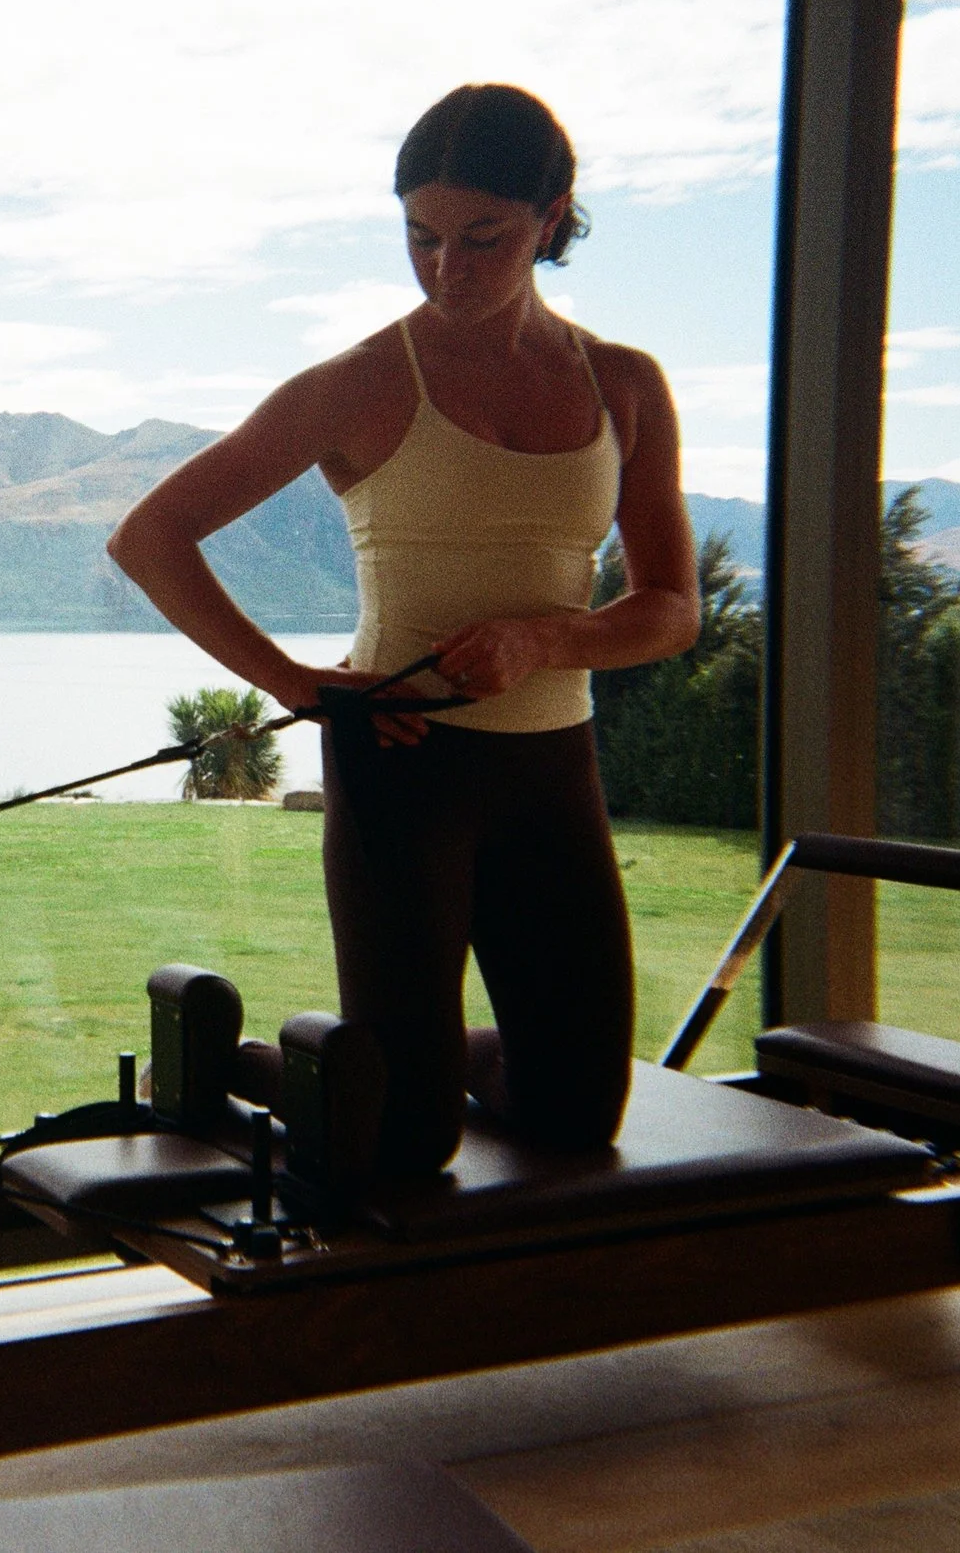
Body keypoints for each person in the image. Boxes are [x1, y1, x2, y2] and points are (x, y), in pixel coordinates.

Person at [107, 84, 698, 1173]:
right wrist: (290, 678)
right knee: (408, 1137)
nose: (447, 268)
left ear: (552, 217)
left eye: (483, 237)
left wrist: (544, 639)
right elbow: (152, 536)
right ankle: (239, 1057)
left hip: (550, 769)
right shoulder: (363, 382)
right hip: (399, 766)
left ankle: (411, 1060)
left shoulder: (623, 385)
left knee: (575, 1114)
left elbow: (668, 609)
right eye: (420, 238)